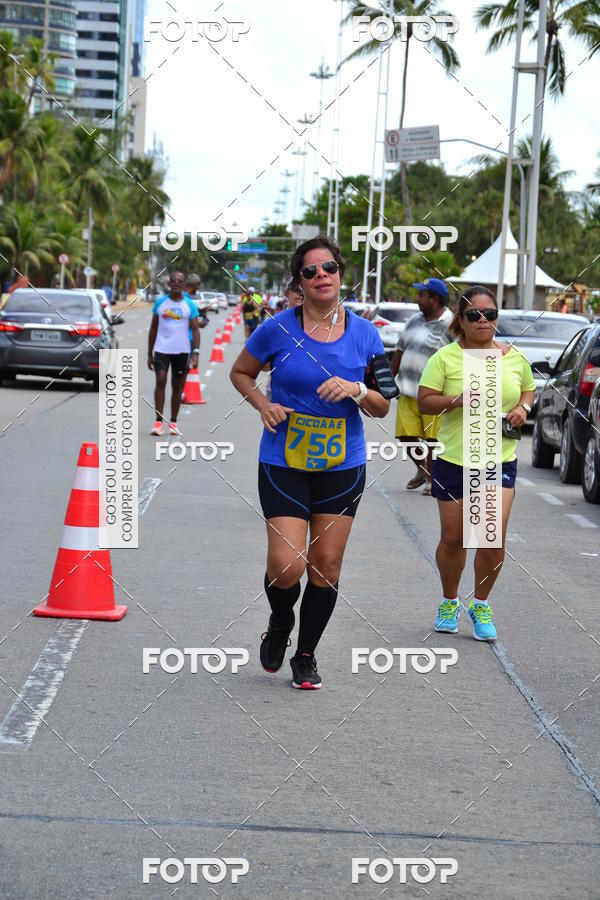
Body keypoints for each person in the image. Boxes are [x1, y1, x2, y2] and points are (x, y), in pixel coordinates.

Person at [230, 236, 397, 690]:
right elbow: (240, 372)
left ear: (341, 274)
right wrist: (264, 405)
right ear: (299, 282)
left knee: (326, 565)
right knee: (288, 565)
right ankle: (280, 620)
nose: (321, 275)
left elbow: (383, 405)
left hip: (342, 464)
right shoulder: (277, 329)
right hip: (284, 459)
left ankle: (305, 655)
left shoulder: (366, 334)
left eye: (328, 268)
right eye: (310, 271)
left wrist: (356, 389)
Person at [417, 285, 535, 642]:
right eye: (474, 315)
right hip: (454, 459)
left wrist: (523, 408)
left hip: (498, 459)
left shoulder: (513, 356)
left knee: (490, 536)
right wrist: (456, 400)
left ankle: (481, 603)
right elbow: (424, 401)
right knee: (455, 539)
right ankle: (450, 601)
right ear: (461, 319)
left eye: (490, 314)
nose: (483, 320)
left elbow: (528, 388)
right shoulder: (446, 358)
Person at [390, 278, 453, 495]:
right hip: (407, 390)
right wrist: (386, 384)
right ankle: (424, 469)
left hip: (435, 393)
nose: (417, 299)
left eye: (421, 295)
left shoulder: (452, 324)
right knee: (405, 436)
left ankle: (432, 478)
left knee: (433, 439)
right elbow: (399, 352)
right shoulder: (414, 321)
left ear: (434, 299)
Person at [147, 271, 200, 436]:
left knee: (177, 387)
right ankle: (158, 422)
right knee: (161, 381)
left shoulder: (189, 305)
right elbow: (153, 328)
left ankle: (174, 422)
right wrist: (149, 353)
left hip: (182, 351)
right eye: (173, 281)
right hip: (162, 349)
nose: (176, 283)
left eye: (180, 281)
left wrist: (195, 353)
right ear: (169, 283)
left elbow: (195, 329)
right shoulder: (160, 303)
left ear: (183, 284)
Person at [185, 273, 209, 365]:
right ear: (195, 285)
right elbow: (189, 322)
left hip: (175, 341)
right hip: (188, 339)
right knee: (184, 369)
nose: (198, 288)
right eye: (198, 285)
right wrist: (202, 320)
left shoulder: (182, 299)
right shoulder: (187, 301)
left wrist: (202, 312)